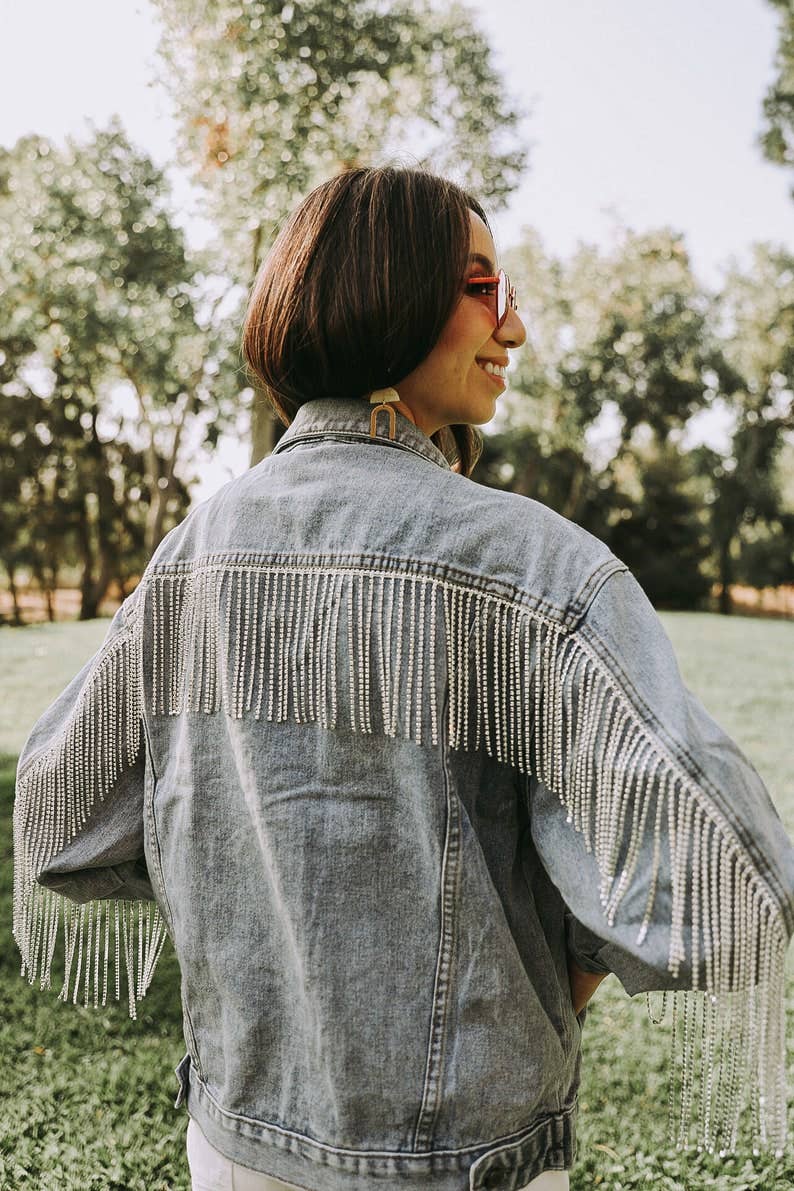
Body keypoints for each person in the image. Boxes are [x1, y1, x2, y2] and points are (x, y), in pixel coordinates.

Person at [12, 166, 794, 1191]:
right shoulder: (535, 568)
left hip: (233, 1145)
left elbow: (61, 815)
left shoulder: (195, 552)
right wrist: (554, 980)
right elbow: (727, 875)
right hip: (458, 1163)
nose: (512, 329)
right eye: (481, 288)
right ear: (382, 292)